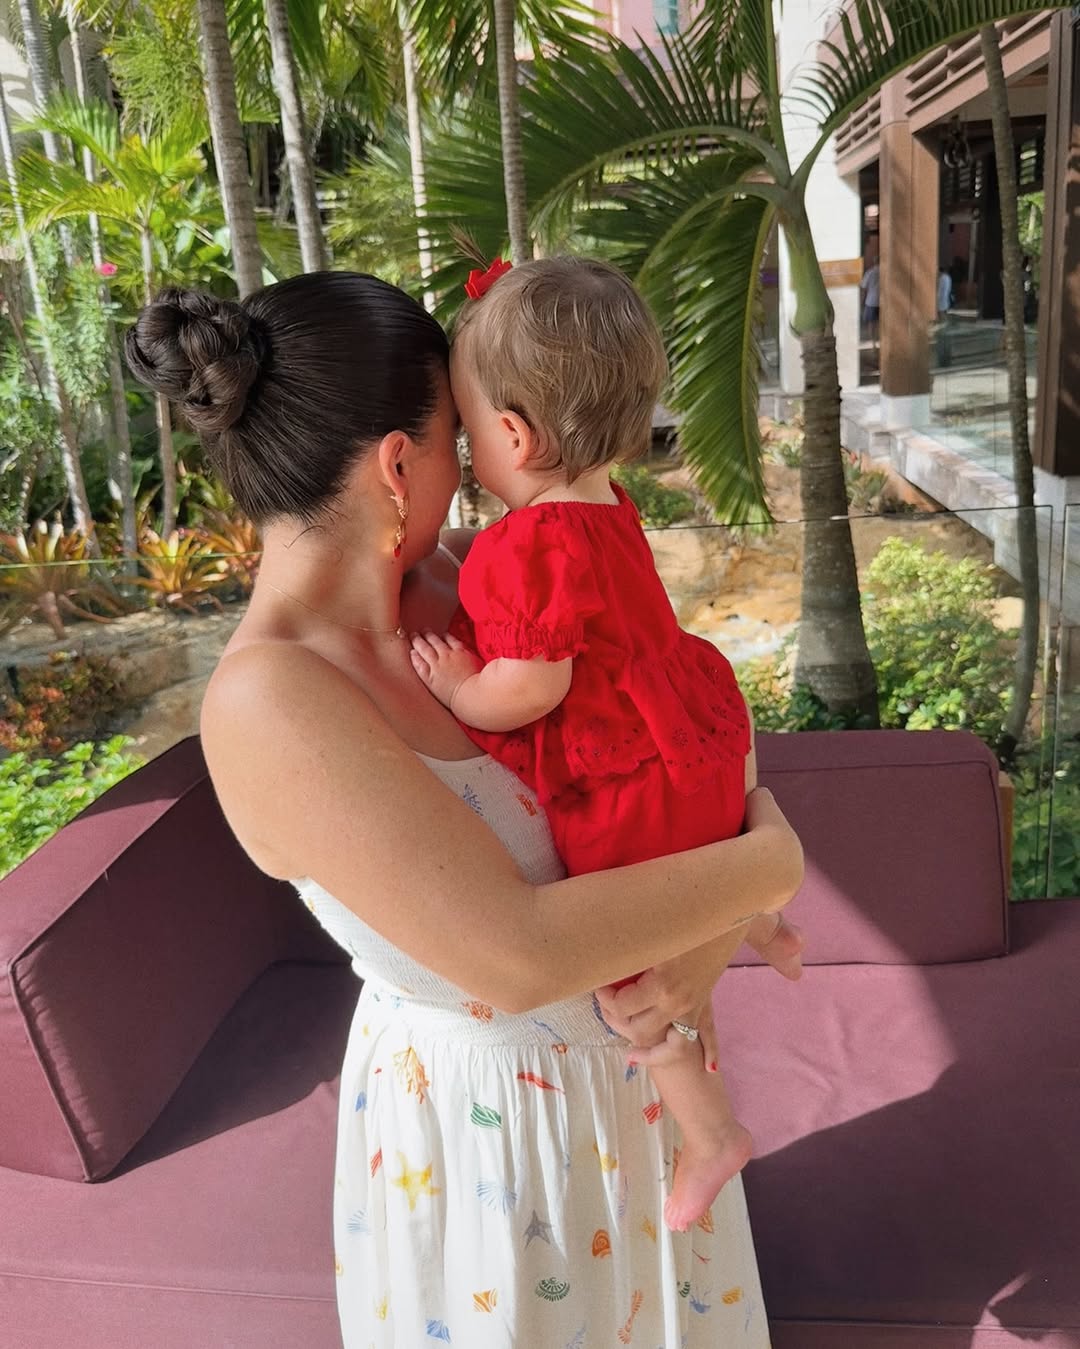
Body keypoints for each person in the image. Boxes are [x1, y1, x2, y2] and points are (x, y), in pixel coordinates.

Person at [125, 273, 803, 1348]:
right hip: (502, 1144)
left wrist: (707, 948)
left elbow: (669, 714)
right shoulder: (271, 699)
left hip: (636, 1096)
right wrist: (769, 866)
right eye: (459, 431)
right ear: (401, 464)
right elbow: (522, 954)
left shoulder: (467, 579)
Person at [409, 255, 804, 1237]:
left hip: (633, 780)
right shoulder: (610, 505)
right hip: (695, 742)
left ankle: (712, 1131)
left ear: (511, 435)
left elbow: (532, 686)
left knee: (631, 984)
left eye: (465, 430)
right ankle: (758, 919)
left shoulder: (524, 544)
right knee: (708, 861)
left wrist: (460, 685)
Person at [861, 260, 880, 338]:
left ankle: (873, 342)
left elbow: (864, 287)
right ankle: (880, 339)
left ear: (874, 262)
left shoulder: (870, 272)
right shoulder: (885, 271)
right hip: (882, 301)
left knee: (871, 323)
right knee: (879, 322)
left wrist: (862, 301)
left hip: (871, 301)